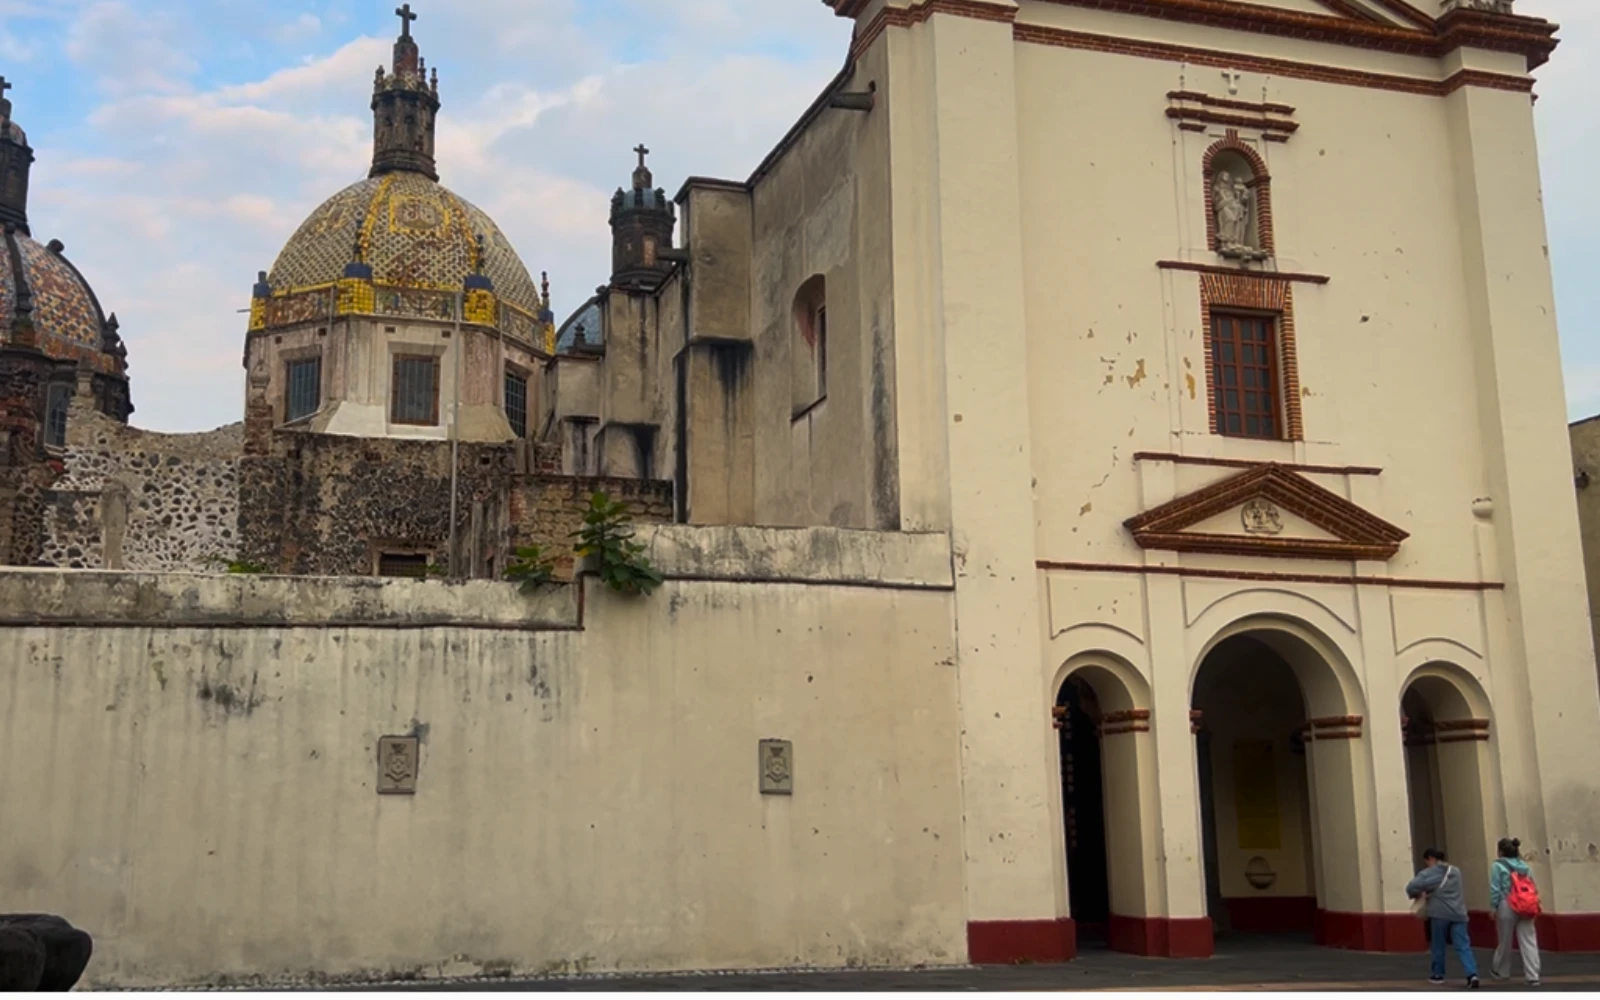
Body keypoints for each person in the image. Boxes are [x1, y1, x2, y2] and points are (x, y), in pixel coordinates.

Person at [1406, 847, 1479, 988]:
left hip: (1440, 913)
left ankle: (1438, 975)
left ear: (1430, 859)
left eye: (1427, 861)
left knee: (1438, 945)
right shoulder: (1456, 871)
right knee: (1463, 945)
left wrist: (1419, 893)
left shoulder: (1429, 873)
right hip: (1459, 913)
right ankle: (1472, 974)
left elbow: (1412, 887)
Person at [1490, 837, 1541, 986]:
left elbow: (1495, 888)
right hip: (1526, 904)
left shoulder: (1497, 866)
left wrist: (1493, 907)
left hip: (1507, 903)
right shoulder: (1525, 866)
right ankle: (1532, 975)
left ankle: (1502, 971)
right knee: (1529, 939)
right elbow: (1533, 886)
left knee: (1505, 940)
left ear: (1500, 851)